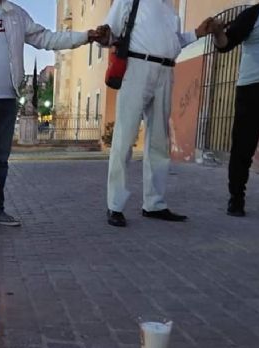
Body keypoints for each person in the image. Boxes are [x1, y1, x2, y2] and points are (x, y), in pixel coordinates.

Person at [0, 0, 108, 230]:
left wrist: (85, 36)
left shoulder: (15, 14)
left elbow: (47, 38)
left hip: (7, 98)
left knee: (0, 160)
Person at [102, 0, 214, 227]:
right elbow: (108, 33)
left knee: (159, 141)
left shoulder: (170, 9)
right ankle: (115, 205)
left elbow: (174, 43)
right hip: (137, 66)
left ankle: (154, 203)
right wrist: (104, 36)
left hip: (166, 70)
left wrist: (197, 33)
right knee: (124, 138)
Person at [211, 0, 259, 217]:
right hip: (253, 88)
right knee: (243, 147)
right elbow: (225, 44)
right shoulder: (253, 14)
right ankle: (236, 198)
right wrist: (217, 32)